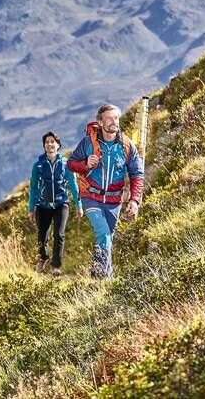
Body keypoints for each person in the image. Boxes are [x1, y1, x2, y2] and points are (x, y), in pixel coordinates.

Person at [67, 104, 145, 279]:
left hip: (114, 202)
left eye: (116, 118)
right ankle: (106, 280)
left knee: (107, 239)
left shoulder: (126, 145)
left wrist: (134, 200)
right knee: (103, 233)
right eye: (109, 118)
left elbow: (137, 174)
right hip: (91, 197)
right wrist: (86, 163)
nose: (113, 121)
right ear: (100, 122)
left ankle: (96, 275)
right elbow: (71, 164)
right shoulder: (88, 143)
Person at [28, 131, 83, 277]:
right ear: (44, 146)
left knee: (59, 234)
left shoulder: (66, 164)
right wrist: (31, 208)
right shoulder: (38, 165)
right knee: (42, 235)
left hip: (61, 204)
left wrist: (79, 205)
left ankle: (56, 266)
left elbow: (73, 185)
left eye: (52, 141)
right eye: (47, 142)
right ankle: (43, 257)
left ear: (58, 145)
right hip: (42, 205)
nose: (50, 144)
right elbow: (33, 187)